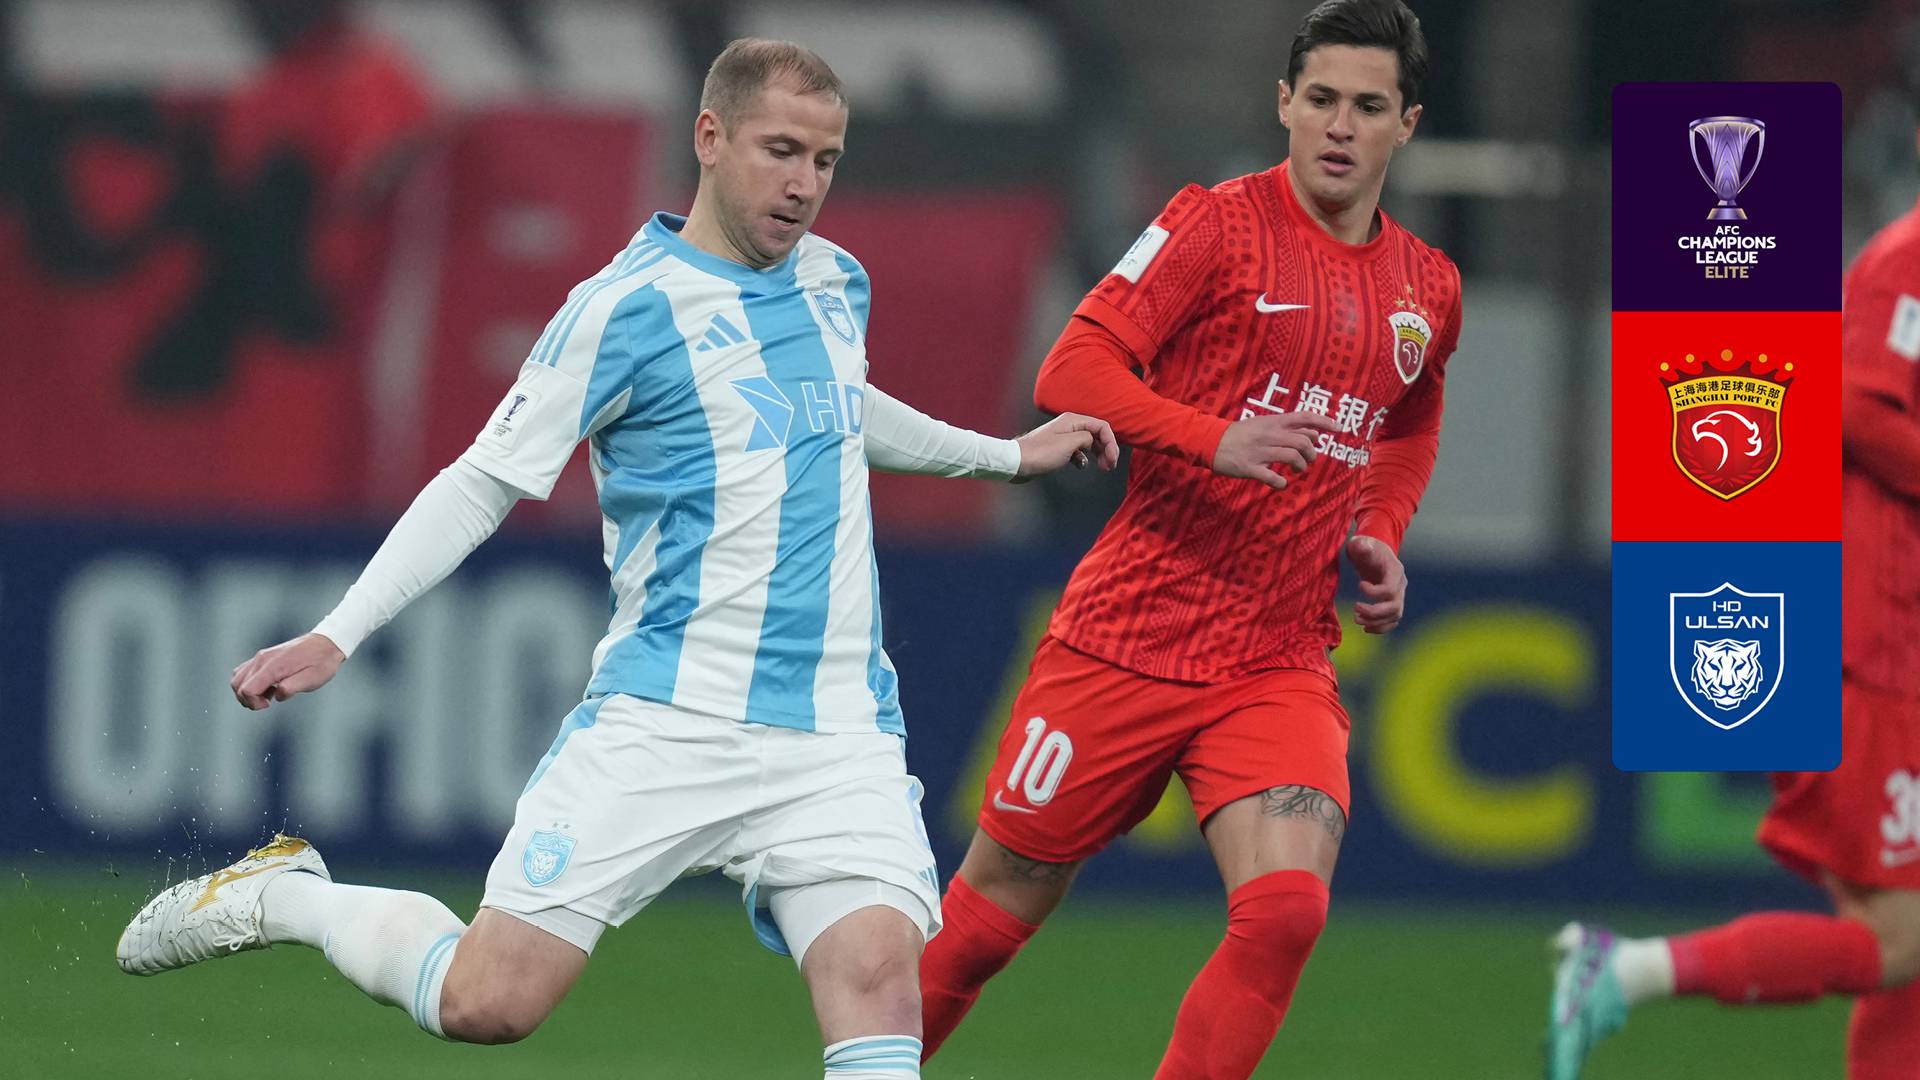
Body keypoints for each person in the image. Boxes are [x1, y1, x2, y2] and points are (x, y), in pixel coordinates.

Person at [114, 39, 1116, 1079]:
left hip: (837, 729)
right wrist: (339, 632)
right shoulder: (622, 309)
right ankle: (290, 898)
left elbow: (836, 407)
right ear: (710, 138)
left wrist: (1006, 456)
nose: (804, 184)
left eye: (825, 160)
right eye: (780, 151)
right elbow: (483, 479)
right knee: (487, 1004)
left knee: (878, 979)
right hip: (668, 717)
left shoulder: (834, 280)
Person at [915, 2, 1461, 1076]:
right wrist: (1214, 438)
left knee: (1287, 913)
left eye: (1367, 106)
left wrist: (1381, 529)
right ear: (1283, 104)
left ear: (1407, 123)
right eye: (1320, 100)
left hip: (1275, 659)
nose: (1339, 126)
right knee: (984, 925)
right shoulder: (1213, 224)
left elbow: (1409, 424)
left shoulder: (1428, 286)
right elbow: (1070, 370)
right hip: (1128, 634)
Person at [1546, 150, 1920, 1080]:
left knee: (1909, 950)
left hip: (1887, 641)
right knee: (1900, 938)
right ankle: (1626, 970)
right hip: (1865, 645)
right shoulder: (1909, 257)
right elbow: (1851, 402)